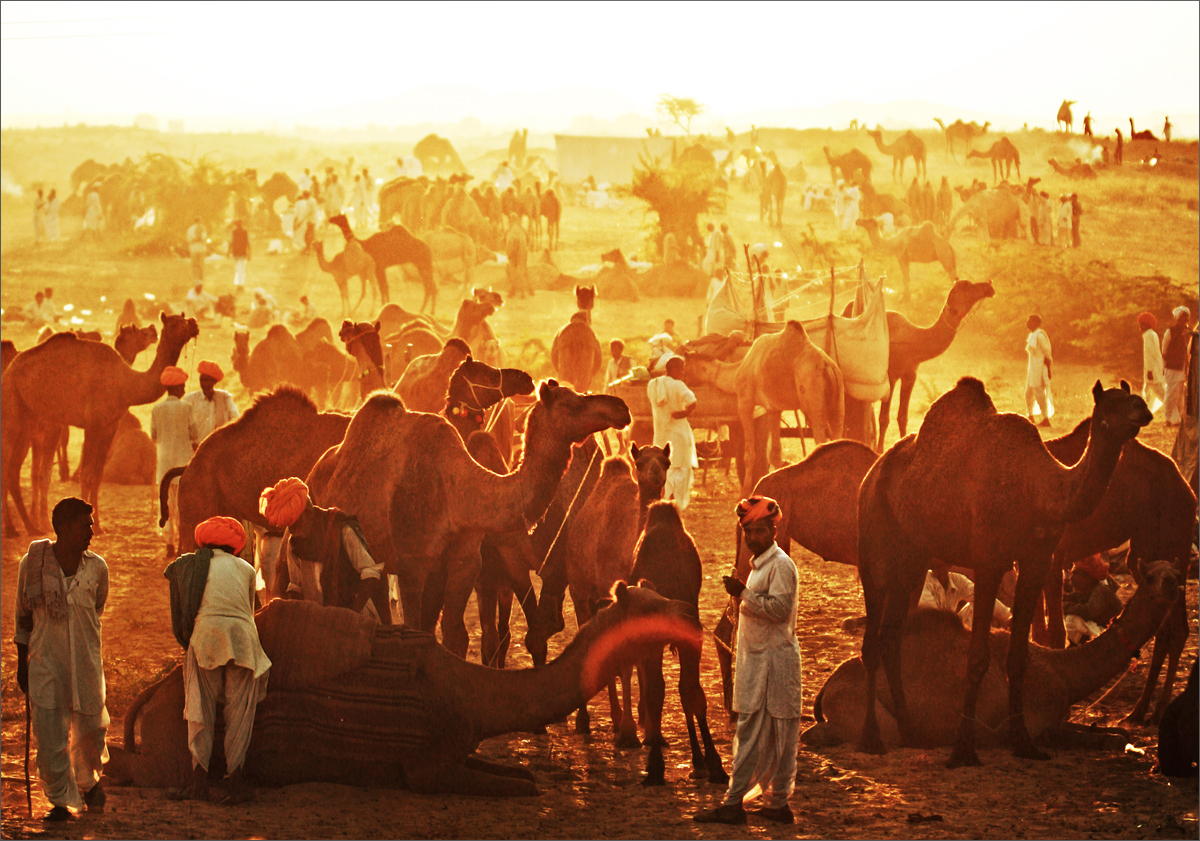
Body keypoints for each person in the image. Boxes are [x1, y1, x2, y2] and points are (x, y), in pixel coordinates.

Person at [695, 496, 799, 825]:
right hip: (757, 663)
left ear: (773, 532)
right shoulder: (758, 568)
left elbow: (779, 611)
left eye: (759, 532)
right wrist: (740, 594)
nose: (753, 538)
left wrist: (744, 594)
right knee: (757, 733)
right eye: (748, 533)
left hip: (775, 663)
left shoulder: (781, 565)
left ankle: (737, 803)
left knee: (771, 735)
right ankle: (773, 805)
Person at [14, 497, 109, 821]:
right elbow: (23, 617)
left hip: (85, 660)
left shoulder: (97, 567)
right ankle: (59, 800)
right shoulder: (33, 563)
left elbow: (97, 608)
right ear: (63, 528)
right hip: (45, 660)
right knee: (50, 732)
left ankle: (89, 782)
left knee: (91, 730)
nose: (91, 532)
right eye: (85, 525)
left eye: (91, 525)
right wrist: (21, 662)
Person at [164, 517, 270, 803]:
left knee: (200, 706)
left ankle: (198, 781)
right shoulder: (246, 568)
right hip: (242, 638)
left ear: (204, 542)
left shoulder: (191, 565)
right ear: (234, 547)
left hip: (207, 636)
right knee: (239, 711)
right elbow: (250, 611)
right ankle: (235, 781)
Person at [259, 478, 390, 621]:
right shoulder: (294, 543)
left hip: (356, 619)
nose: (292, 531)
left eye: (295, 525)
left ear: (308, 513)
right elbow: (296, 587)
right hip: (319, 622)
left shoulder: (340, 529)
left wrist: (350, 614)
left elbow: (370, 573)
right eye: (289, 527)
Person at [153, 366, 198, 557]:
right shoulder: (187, 408)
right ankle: (182, 544)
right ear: (177, 388)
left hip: (164, 464)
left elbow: (154, 435)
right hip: (183, 463)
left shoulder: (156, 409)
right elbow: (194, 435)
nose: (185, 390)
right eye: (183, 386)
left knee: (166, 505)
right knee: (182, 506)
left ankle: (169, 543)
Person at [647, 355, 698, 510]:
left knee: (665, 468)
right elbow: (692, 401)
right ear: (674, 369)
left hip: (661, 435)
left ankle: (664, 498)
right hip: (678, 434)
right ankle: (676, 503)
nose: (683, 372)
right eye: (681, 369)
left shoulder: (653, 385)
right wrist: (683, 413)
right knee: (680, 468)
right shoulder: (678, 385)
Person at [919, 561, 1011, 630]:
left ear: (949, 565)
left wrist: (1007, 617)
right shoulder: (926, 580)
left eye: (942, 565)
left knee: (976, 606)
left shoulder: (957, 579)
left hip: (952, 630)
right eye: (936, 565)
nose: (939, 569)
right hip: (932, 630)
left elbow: (979, 596)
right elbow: (931, 614)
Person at [1062, 555, 1122, 645]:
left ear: (1088, 577)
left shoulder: (1101, 590)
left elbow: (1089, 611)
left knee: (1071, 620)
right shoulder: (1088, 590)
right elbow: (1072, 597)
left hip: (1111, 632)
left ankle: (1086, 646)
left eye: (1077, 574)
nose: (1072, 578)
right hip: (1101, 628)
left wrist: (1065, 607)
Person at [183, 361, 240, 442]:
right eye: (202, 380)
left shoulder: (224, 397)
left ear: (214, 381)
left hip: (218, 445)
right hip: (196, 447)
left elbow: (235, 418)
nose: (203, 383)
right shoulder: (190, 399)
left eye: (207, 380)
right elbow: (183, 424)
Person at [1162, 306, 1191, 425]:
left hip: (1183, 367)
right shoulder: (1170, 331)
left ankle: (1178, 417)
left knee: (1180, 395)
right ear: (1177, 318)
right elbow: (1164, 349)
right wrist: (1164, 366)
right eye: (1181, 318)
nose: (1183, 320)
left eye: (1185, 318)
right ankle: (1169, 417)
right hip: (1172, 367)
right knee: (1171, 393)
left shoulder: (1189, 332)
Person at [1025, 314, 1053, 427]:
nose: (1027, 323)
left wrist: (1048, 369)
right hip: (1032, 368)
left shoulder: (1040, 336)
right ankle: (1030, 416)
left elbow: (1047, 353)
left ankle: (1046, 418)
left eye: (1030, 321)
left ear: (1036, 323)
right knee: (1028, 392)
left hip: (1040, 368)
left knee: (1039, 392)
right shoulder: (1032, 335)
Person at [1139, 311, 1166, 414]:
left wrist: (1150, 371)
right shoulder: (1152, 334)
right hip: (1155, 369)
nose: (1140, 326)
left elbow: (1150, 355)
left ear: (1146, 324)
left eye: (1142, 324)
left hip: (1152, 371)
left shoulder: (1148, 335)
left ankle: (1175, 414)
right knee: (1147, 393)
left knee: (1162, 395)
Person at [230, 219, 250, 288]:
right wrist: (249, 253)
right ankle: (241, 283)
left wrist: (229, 251)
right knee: (242, 268)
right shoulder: (244, 231)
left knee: (238, 268)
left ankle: (239, 283)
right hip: (242, 252)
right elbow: (247, 242)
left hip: (236, 252)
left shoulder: (234, 232)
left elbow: (232, 242)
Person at [186, 217, 207, 283]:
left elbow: (188, 239)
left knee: (194, 264)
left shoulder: (190, 229)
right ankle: (201, 279)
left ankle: (195, 279)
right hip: (201, 248)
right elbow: (204, 238)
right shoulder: (203, 228)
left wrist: (194, 240)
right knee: (201, 264)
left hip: (193, 249)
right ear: (200, 221)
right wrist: (199, 239)